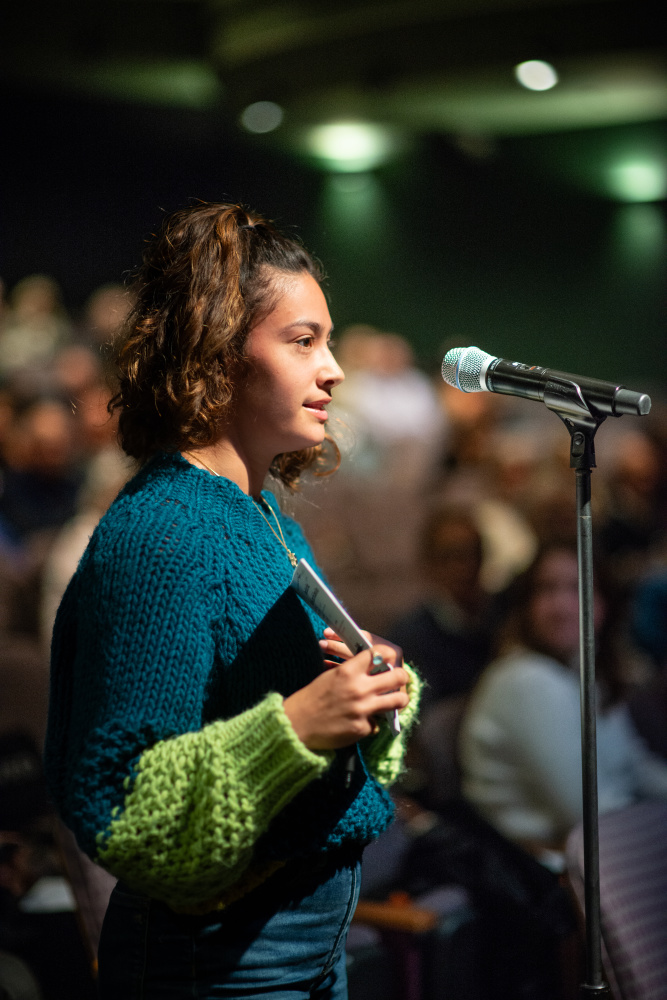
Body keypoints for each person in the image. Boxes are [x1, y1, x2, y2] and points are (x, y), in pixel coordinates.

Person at [43, 202, 419, 1000]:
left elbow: (264, 710)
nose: (334, 368)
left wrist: (360, 687)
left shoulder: (256, 513)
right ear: (219, 355)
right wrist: (299, 726)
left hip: (305, 936)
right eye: (302, 340)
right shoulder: (164, 531)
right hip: (221, 960)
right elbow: (121, 799)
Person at [459, 543, 667, 860]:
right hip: (545, 876)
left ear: (604, 604)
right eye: (546, 589)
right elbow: (588, 810)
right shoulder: (525, 680)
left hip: (605, 851)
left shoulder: (585, 673)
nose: (562, 606)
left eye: (578, 588)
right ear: (527, 604)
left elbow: (635, 765)